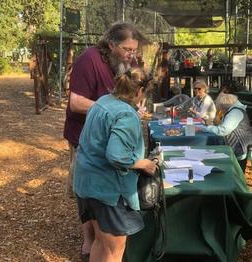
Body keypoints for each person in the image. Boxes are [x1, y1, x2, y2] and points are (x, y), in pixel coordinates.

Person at [62, 21, 148, 261]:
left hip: (105, 140)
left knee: (99, 217)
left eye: (134, 50)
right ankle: (87, 242)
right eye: (127, 49)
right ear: (111, 44)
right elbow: (76, 102)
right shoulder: (88, 60)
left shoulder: (120, 63)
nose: (132, 55)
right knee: (98, 213)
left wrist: (127, 108)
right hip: (86, 138)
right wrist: (117, 111)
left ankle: (94, 244)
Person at [74, 68, 157, 262]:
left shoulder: (103, 101)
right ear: (140, 91)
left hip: (86, 183)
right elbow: (117, 156)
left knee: (100, 242)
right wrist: (144, 163)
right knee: (114, 250)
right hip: (108, 190)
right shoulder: (126, 114)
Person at [198, 93, 252, 172]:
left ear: (223, 106)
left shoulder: (235, 112)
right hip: (237, 145)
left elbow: (223, 130)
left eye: (220, 107)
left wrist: (203, 128)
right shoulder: (234, 111)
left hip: (239, 148)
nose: (220, 110)